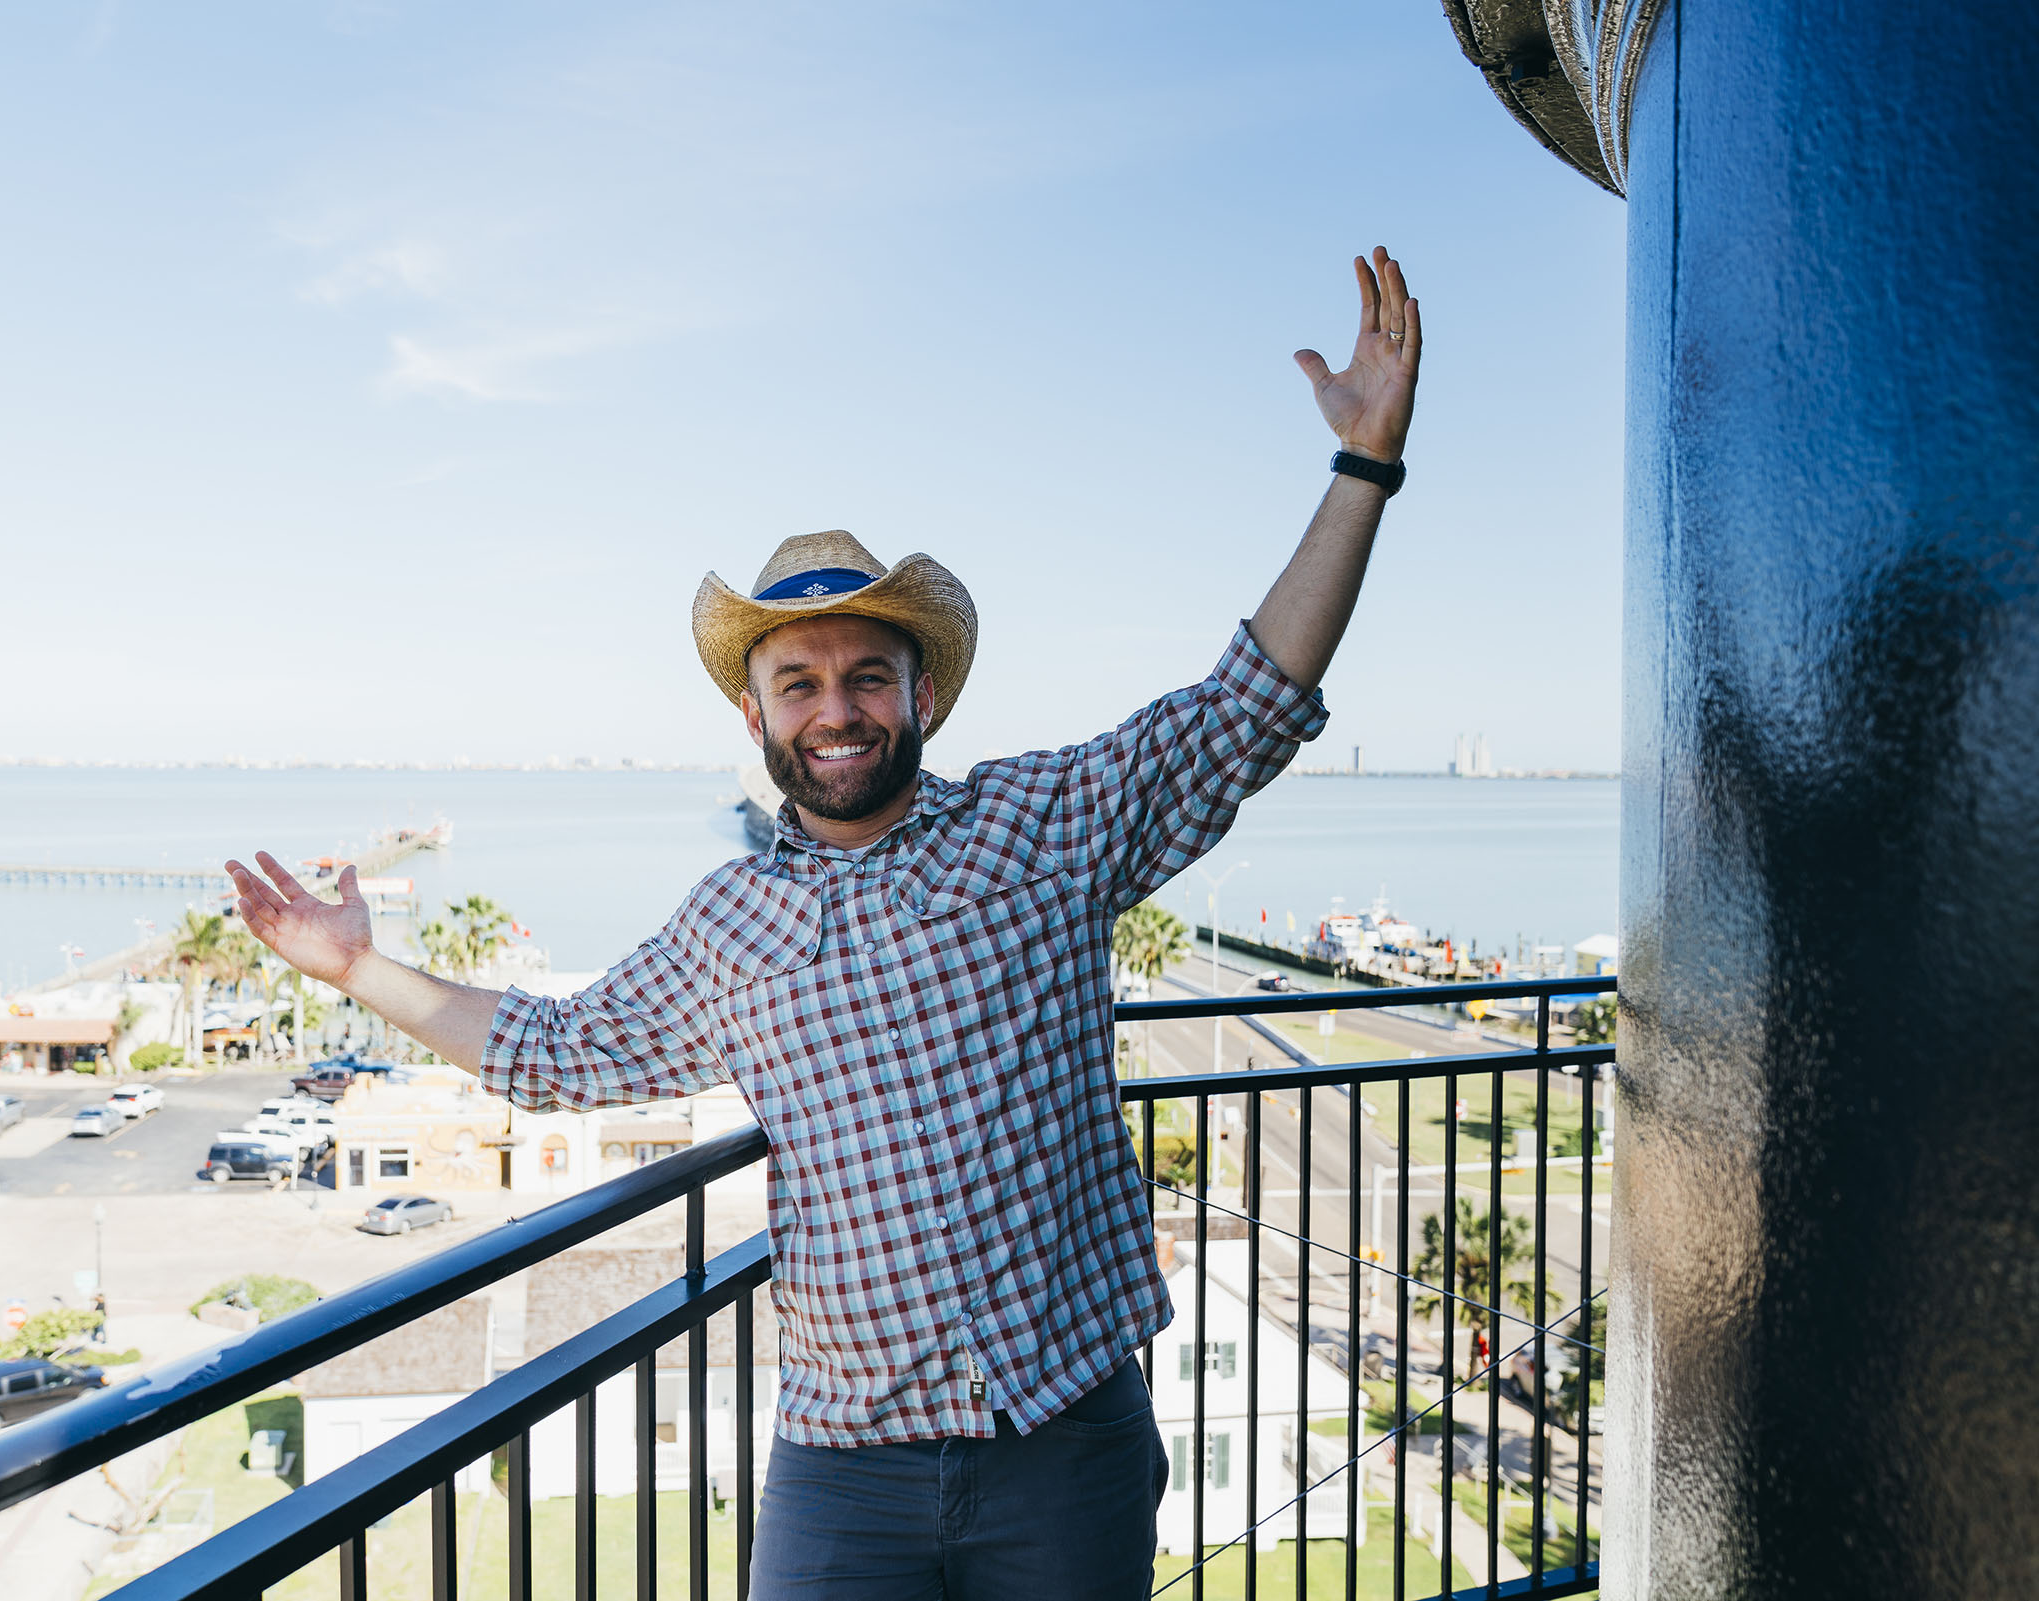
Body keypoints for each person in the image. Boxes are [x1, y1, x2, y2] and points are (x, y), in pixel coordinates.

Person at [228, 246, 1422, 1600]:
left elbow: (1247, 703)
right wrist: (353, 963)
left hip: (1065, 1438)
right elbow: (552, 1049)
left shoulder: (1046, 828)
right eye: (798, 682)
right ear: (756, 717)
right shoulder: (727, 926)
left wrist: (1362, 470)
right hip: (844, 1464)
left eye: (868, 675)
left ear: (924, 697)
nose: (835, 707)